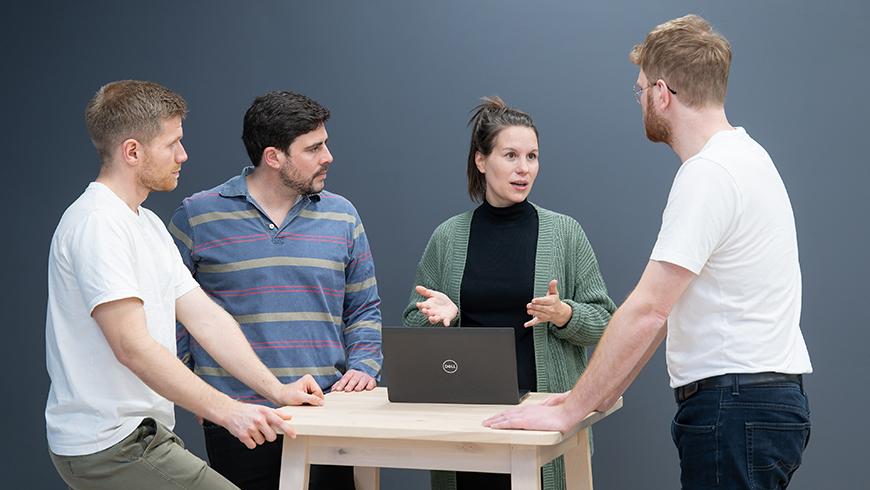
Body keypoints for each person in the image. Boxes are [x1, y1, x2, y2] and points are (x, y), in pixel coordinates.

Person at [484, 14, 813, 490]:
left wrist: (573, 408)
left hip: (734, 406)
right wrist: (588, 397)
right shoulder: (748, 158)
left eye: (639, 91)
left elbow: (648, 310)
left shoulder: (709, 174)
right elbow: (663, 314)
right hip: (759, 402)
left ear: (662, 93)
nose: (640, 101)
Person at [45, 80, 324, 490]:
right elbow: (132, 347)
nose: (183, 154)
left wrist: (275, 391)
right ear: (133, 151)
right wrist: (229, 411)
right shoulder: (98, 224)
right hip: (109, 446)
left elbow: (204, 316)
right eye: (172, 143)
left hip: (141, 436)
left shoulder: (146, 223)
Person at [169, 90, 382, 490]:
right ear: (274, 157)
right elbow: (173, 313)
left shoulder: (342, 215)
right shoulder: (198, 215)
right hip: (241, 418)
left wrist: (364, 366)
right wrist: (198, 393)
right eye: (314, 148)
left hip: (327, 411)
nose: (328, 156)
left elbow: (364, 308)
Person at [403, 96, 616, 490]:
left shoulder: (565, 233)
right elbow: (413, 326)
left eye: (532, 156)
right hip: (466, 422)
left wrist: (565, 315)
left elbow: (604, 322)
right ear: (481, 161)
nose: (524, 169)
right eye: (511, 155)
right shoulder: (448, 237)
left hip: (543, 418)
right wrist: (447, 316)